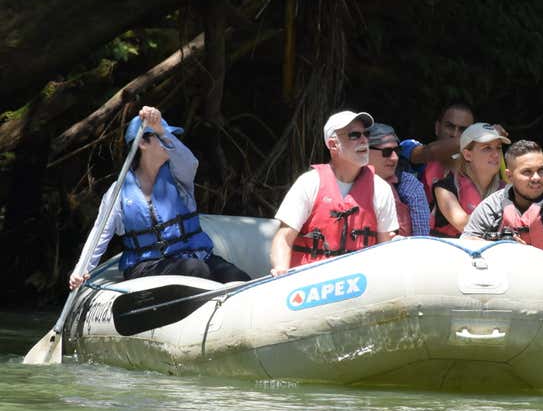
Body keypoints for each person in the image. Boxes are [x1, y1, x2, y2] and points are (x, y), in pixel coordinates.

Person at [68, 106, 250, 290]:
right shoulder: (118, 193)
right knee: (195, 269)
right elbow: (100, 234)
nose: (169, 142)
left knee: (237, 276)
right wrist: (80, 270)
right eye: (161, 138)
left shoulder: (179, 175)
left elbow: (190, 161)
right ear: (143, 143)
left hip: (195, 256)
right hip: (147, 266)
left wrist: (160, 130)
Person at [269, 110, 399, 276]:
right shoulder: (309, 183)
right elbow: (284, 238)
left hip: (359, 286)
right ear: (333, 144)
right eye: (354, 135)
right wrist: (281, 269)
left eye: (366, 134)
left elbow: (384, 248)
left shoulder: (380, 189)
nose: (364, 140)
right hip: (309, 285)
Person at [461, 139, 543, 279]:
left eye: (541, 170)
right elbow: (463, 248)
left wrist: (524, 255)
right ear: (510, 176)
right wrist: (500, 249)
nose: (536, 178)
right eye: (527, 172)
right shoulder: (492, 206)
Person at [430, 122, 509, 237]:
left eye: (498, 148)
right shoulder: (445, 188)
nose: (496, 154)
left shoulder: (506, 190)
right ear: (467, 155)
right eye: (487, 148)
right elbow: (465, 225)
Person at [398, 102, 475, 204]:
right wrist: (480, 136)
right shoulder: (412, 147)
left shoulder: (477, 167)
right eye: (450, 126)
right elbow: (429, 151)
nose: (455, 134)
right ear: (437, 128)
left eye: (463, 130)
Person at [367, 123, 429, 236]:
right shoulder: (348, 181)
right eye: (387, 152)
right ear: (365, 151)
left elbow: (421, 238)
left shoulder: (409, 185)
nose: (395, 158)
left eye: (397, 150)